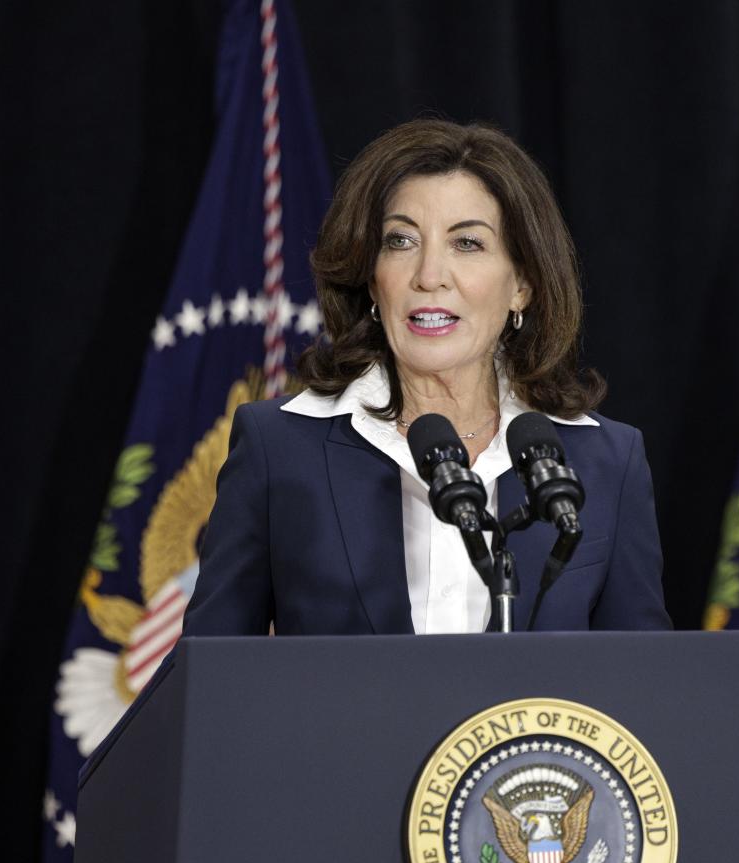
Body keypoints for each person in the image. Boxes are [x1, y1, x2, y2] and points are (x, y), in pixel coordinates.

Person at [182, 118, 671, 637]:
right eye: (401, 241)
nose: (429, 274)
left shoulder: (606, 462)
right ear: (373, 278)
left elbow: (640, 690)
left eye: (467, 244)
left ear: (522, 285)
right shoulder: (278, 447)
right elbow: (210, 680)